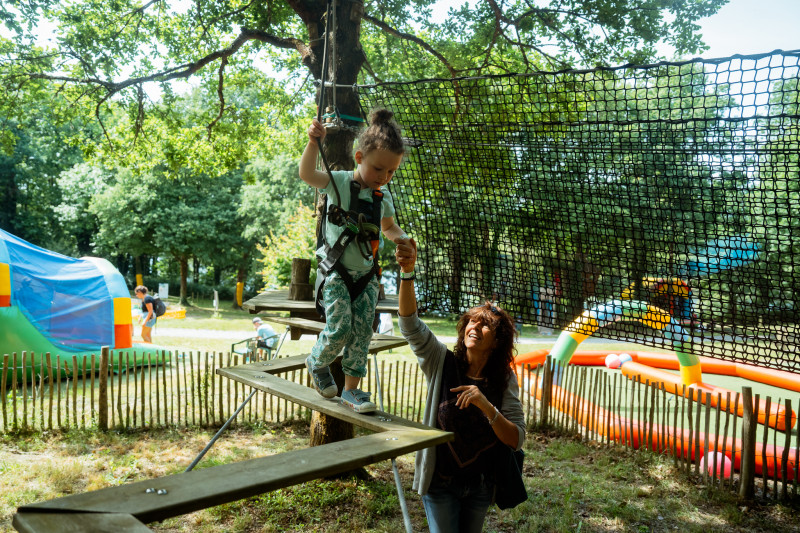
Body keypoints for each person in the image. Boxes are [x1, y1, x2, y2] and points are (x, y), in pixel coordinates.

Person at [395, 239, 526, 533]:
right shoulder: (441, 361)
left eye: (485, 325)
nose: (474, 327)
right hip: (440, 483)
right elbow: (410, 325)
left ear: (497, 342)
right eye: (471, 322)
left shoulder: (504, 379)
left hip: (481, 486)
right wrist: (407, 272)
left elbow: (516, 439)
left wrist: (486, 405)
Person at [300, 108, 411, 413]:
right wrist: (313, 143)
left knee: (362, 333)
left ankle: (352, 390)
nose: (384, 177)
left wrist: (403, 239)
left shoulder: (382, 196)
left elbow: (388, 227)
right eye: (378, 169)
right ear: (359, 157)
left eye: (391, 172)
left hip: (367, 276)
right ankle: (317, 361)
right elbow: (307, 175)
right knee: (340, 328)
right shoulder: (337, 182)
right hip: (337, 271)